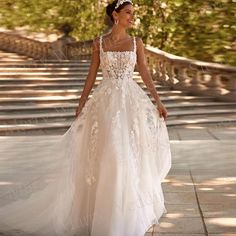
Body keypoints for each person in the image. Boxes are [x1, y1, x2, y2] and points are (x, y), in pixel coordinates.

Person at [0, 0, 172, 235]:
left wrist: (158, 101)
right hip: (104, 103)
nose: (132, 17)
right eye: (128, 13)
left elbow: (144, 71)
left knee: (130, 152)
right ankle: (102, 213)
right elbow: (92, 74)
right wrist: (81, 103)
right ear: (115, 15)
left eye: (133, 14)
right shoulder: (99, 43)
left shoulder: (136, 42)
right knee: (108, 152)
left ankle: (129, 212)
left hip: (130, 101)